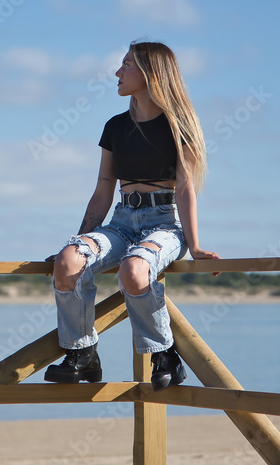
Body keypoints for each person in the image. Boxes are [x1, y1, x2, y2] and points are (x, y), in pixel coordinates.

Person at [44, 40, 219, 389]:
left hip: (164, 224)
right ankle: (83, 353)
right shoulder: (115, 127)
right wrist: (76, 243)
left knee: (135, 270)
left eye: (127, 65)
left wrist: (196, 247)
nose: (117, 72)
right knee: (68, 262)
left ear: (151, 72)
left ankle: (164, 355)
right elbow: (102, 192)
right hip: (121, 222)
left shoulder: (179, 125)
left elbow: (185, 189)